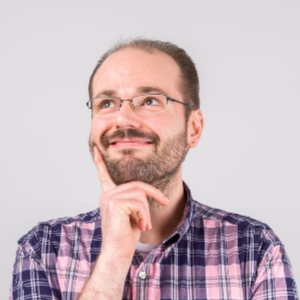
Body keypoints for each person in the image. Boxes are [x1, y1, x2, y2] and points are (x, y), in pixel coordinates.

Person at [10, 39, 298, 300]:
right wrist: (112, 260)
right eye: (107, 103)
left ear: (193, 128)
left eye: (150, 101)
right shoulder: (42, 249)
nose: (123, 119)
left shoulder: (256, 250)